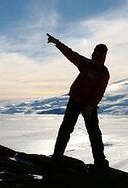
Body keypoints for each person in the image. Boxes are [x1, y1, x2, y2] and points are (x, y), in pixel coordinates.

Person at [46, 33, 110, 168]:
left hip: (88, 105)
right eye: (94, 51)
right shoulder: (86, 64)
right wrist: (57, 43)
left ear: (103, 55)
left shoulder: (103, 72)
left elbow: (99, 91)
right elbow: (71, 54)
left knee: (93, 133)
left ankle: (99, 162)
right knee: (67, 130)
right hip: (76, 100)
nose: (95, 54)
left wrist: (91, 106)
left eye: (97, 52)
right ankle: (57, 158)